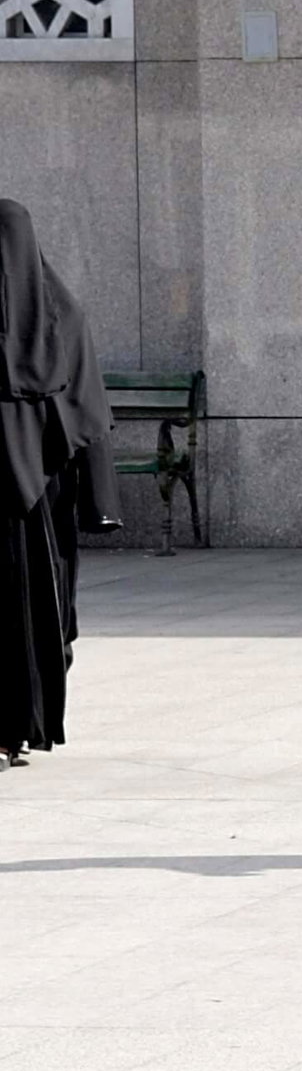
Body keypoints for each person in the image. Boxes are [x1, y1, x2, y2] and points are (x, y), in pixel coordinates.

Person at [0, 200, 121, 766]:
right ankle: (17, 727)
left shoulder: (65, 318)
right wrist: (99, 500)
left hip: (36, 504)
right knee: (32, 616)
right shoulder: (63, 317)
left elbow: (89, 416)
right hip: (39, 504)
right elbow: (89, 419)